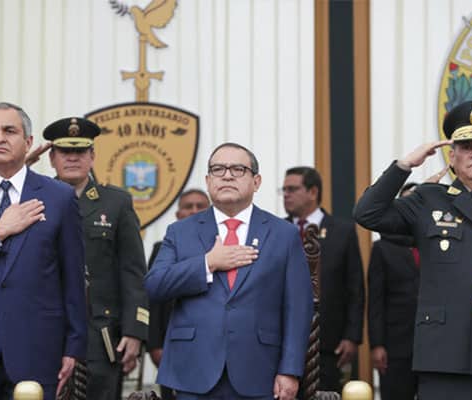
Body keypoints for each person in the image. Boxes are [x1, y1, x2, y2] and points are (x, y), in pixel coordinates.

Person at [354, 99, 472, 399]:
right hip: (443, 360)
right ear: (452, 157)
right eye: (467, 147)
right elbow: (367, 214)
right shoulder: (428, 200)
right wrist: (405, 165)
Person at [145, 143, 313, 400]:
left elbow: (298, 308)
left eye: (237, 169)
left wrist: (290, 370)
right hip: (194, 371)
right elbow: (154, 285)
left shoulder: (283, 234)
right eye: (218, 169)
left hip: (261, 371)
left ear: (256, 182)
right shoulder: (180, 231)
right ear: (208, 180)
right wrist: (207, 263)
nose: (227, 176)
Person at [0, 102, 87, 400]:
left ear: (28, 142)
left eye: (9, 131)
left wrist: (74, 348)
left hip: (38, 353)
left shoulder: (58, 197)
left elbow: (72, 279)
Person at [41, 117, 149, 400]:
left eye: (80, 151)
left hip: (101, 337)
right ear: (52, 158)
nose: (73, 158)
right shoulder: (34, 200)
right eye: (65, 151)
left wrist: (135, 331)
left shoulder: (116, 203)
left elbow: (133, 272)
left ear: (92, 156)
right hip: (44, 332)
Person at [281, 166, 365, 391]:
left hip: (328, 343)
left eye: (292, 189)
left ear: (313, 192)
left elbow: (355, 289)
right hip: (282, 342)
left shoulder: (342, 231)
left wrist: (351, 336)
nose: (286, 195)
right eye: (284, 190)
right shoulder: (277, 230)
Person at [147, 189, 211, 400]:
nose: (194, 211)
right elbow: (154, 301)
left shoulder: (225, 247)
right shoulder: (163, 249)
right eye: (188, 206)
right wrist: (155, 345)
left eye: (200, 206)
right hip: (172, 346)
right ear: (178, 214)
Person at [367, 182, 420, 400]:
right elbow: (376, 301)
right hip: (396, 345)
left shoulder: (438, 244)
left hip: (433, 346)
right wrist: (377, 344)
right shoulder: (383, 247)